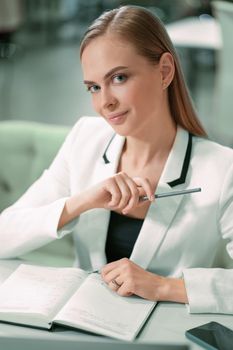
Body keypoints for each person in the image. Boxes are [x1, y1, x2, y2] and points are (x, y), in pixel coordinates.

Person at [0, 5, 233, 314]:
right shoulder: (85, 139)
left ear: (165, 71)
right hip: (82, 331)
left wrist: (164, 286)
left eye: (119, 78)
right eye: (94, 87)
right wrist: (81, 202)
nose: (105, 102)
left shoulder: (222, 168)